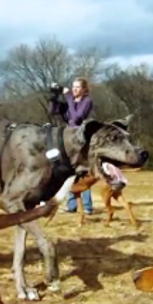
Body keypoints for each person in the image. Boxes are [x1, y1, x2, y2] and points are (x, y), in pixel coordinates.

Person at [49, 78, 94, 214]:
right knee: (68, 171)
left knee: (81, 172)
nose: (74, 89)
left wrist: (68, 96)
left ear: (84, 89)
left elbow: (77, 117)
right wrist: (54, 97)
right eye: (73, 87)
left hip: (81, 137)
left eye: (77, 87)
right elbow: (53, 111)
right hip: (68, 138)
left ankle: (87, 207)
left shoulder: (87, 102)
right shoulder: (70, 102)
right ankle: (71, 205)